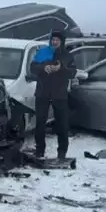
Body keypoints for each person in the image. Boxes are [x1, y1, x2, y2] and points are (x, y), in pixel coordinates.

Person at [29, 30, 73, 162]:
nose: (54, 42)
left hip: (59, 94)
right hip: (42, 92)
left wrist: (61, 68)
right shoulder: (42, 52)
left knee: (62, 124)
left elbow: (73, 72)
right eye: (52, 40)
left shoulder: (67, 56)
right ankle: (39, 150)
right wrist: (43, 67)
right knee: (40, 123)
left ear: (62, 42)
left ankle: (62, 152)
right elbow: (33, 67)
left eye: (57, 40)